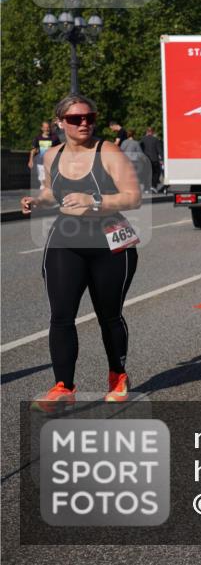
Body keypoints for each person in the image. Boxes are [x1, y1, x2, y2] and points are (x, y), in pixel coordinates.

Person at [20, 94, 142, 411]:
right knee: (61, 316)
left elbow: (133, 197)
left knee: (109, 316)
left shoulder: (109, 151)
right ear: (61, 123)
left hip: (109, 244)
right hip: (66, 241)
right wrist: (38, 201)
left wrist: (95, 201)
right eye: (76, 119)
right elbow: (51, 191)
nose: (84, 123)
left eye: (90, 117)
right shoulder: (52, 157)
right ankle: (64, 387)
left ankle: (118, 376)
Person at [28, 120, 61, 187]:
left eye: (48, 127)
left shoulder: (55, 138)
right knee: (42, 180)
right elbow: (33, 150)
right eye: (45, 127)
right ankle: (44, 192)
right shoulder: (37, 138)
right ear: (42, 128)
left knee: (52, 180)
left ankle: (49, 193)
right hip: (41, 162)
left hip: (52, 162)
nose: (47, 129)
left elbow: (60, 149)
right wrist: (31, 160)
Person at [140, 127, 164, 192]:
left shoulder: (142, 140)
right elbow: (160, 151)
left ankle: (146, 188)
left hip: (145, 160)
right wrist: (163, 159)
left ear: (146, 132)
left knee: (146, 173)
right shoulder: (156, 140)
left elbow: (140, 150)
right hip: (154, 159)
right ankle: (153, 186)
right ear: (152, 132)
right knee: (156, 173)